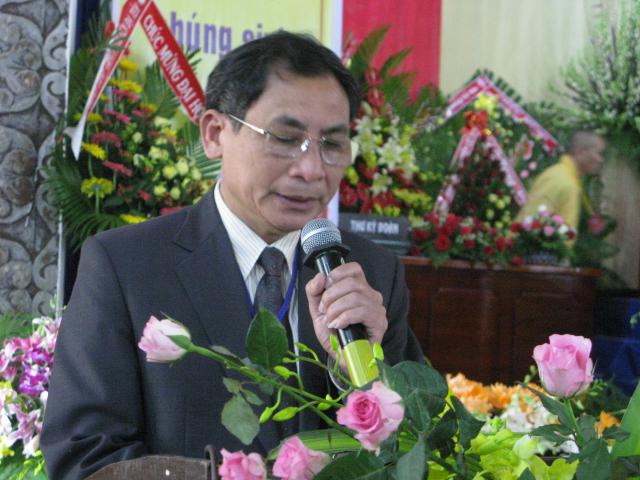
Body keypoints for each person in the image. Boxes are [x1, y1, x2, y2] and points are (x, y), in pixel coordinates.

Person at [41, 31, 423, 479]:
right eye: (285, 137)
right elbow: (83, 458)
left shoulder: (370, 274)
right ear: (215, 133)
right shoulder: (126, 266)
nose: (312, 169)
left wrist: (360, 373)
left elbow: (419, 449)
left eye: (332, 145)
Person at [516, 130, 605, 230]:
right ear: (581, 152)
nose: (600, 160)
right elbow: (531, 226)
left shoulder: (568, 179)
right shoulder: (560, 179)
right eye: (598, 153)